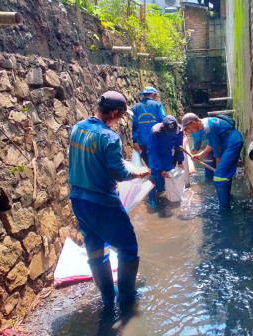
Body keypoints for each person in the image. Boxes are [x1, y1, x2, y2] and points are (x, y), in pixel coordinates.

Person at [68, 91, 150, 311]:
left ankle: (107, 298)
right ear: (114, 112)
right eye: (121, 116)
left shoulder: (77, 128)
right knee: (128, 247)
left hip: (78, 199)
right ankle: (126, 298)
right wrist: (139, 174)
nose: (120, 120)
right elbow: (118, 172)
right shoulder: (109, 137)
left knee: (95, 249)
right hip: (103, 202)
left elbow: (93, 159)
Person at [182, 113, 243, 209]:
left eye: (188, 128)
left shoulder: (208, 128)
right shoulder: (205, 124)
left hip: (232, 143)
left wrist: (218, 169)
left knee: (219, 176)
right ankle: (228, 197)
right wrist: (201, 155)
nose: (189, 132)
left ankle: (224, 208)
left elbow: (217, 151)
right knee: (224, 174)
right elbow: (212, 143)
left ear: (194, 123)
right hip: (230, 141)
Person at [147, 115, 184, 207]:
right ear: (164, 127)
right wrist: (160, 170)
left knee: (170, 174)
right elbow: (153, 151)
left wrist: (179, 162)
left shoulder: (179, 129)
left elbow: (178, 147)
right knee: (153, 175)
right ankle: (152, 198)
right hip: (154, 154)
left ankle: (163, 191)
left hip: (167, 154)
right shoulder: (155, 132)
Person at [131, 86, 166, 165]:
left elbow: (135, 124)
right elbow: (163, 120)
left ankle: (152, 175)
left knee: (149, 164)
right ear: (153, 94)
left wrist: (134, 141)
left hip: (142, 142)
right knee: (159, 164)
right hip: (156, 140)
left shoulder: (135, 107)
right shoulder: (157, 105)